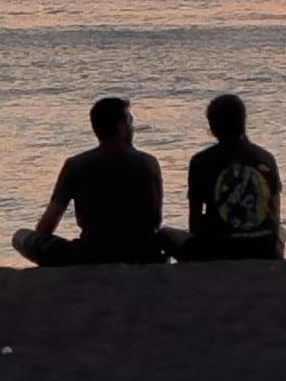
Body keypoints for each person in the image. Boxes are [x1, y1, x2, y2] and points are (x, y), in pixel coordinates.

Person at [13, 96, 170, 266]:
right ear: (120, 127)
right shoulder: (149, 162)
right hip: (143, 253)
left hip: (92, 255)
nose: (132, 127)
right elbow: (155, 219)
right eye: (130, 121)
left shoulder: (75, 164)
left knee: (20, 236)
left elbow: (47, 226)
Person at [182, 90, 284, 260]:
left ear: (212, 127)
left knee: (166, 235)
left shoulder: (201, 161)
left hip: (220, 247)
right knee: (282, 231)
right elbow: (274, 213)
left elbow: (195, 223)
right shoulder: (266, 158)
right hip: (263, 247)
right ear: (244, 121)